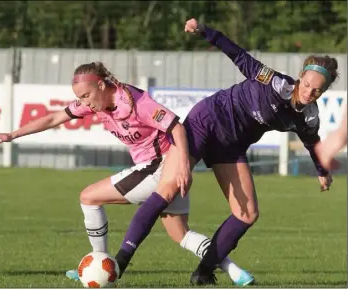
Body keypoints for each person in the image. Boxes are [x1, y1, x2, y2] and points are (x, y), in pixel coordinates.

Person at [112, 18, 338, 286]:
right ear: (301, 76)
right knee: (169, 188)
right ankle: (119, 263)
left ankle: (204, 272)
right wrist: (205, 31)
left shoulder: (308, 116)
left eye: (318, 89)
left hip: (231, 146)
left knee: (247, 213)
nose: (310, 91)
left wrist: (322, 171)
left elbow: (312, 142)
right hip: (206, 122)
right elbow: (239, 56)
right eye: (308, 83)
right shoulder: (274, 82)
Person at [0, 61, 254, 286]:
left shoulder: (137, 102)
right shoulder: (95, 104)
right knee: (180, 234)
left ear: (102, 86)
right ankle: (236, 272)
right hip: (160, 168)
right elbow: (52, 119)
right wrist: (12, 135)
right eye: (80, 98)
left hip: (160, 166)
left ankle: (100, 264)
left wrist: (183, 163)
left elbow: (176, 127)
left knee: (89, 197)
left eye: (86, 96)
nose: (83, 103)